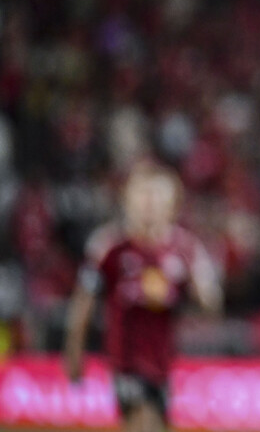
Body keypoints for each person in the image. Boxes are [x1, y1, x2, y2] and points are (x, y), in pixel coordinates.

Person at [64, 161, 222, 432]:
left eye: (157, 196)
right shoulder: (110, 246)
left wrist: (200, 289)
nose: (149, 204)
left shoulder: (184, 249)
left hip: (164, 365)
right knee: (144, 423)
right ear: (127, 201)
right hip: (126, 364)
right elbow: (83, 302)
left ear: (172, 205)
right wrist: (74, 354)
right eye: (142, 195)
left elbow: (211, 302)